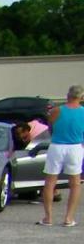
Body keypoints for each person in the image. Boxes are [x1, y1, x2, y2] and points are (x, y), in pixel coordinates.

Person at [40, 84, 84, 227]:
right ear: (81, 97)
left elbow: (50, 125)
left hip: (57, 146)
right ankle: (69, 218)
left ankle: (48, 217)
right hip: (75, 147)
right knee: (75, 183)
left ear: (68, 96)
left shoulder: (57, 110)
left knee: (50, 182)